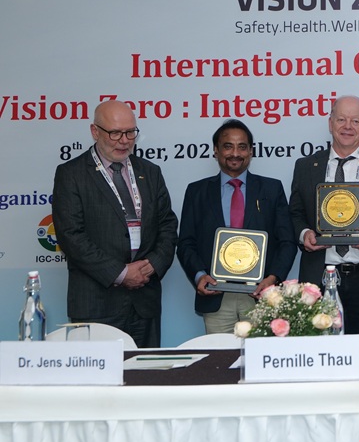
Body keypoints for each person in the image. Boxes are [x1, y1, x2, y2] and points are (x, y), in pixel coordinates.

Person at [52, 100, 178, 347]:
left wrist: (152, 265)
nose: (124, 141)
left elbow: (167, 225)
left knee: (144, 370)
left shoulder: (150, 172)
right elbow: (71, 235)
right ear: (95, 131)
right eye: (115, 133)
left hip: (144, 302)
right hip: (97, 303)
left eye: (130, 132)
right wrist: (121, 274)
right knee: (97, 372)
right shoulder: (71, 174)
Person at [289, 96, 359, 335]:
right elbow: (295, 213)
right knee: (322, 351)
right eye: (341, 119)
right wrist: (304, 234)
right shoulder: (306, 167)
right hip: (320, 278)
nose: (347, 126)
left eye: (355, 121)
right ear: (330, 123)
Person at [176, 119, 297, 333]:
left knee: (262, 353)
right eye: (228, 146)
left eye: (242, 147)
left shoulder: (271, 189)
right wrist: (199, 275)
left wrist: (273, 279)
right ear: (216, 150)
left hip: (260, 296)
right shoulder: (197, 192)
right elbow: (186, 243)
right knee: (219, 354)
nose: (235, 153)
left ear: (251, 151)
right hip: (216, 295)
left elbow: (287, 241)